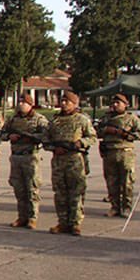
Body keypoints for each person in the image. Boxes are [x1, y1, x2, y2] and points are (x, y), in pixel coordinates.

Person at [46, 92, 96, 236]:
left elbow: (92, 137)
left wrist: (80, 143)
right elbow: (46, 138)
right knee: (60, 193)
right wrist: (54, 148)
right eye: (62, 101)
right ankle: (62, 222)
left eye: (67, 101)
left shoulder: (82, 120)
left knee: (76, 192)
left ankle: (75, 223)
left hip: (75, 160)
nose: (63, 104)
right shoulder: (54, 120)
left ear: (75, 104)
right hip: (58, 161)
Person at [1, 94, 49, 229]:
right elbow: (2, 134)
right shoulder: (13, 119)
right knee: (19, 189)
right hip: (16, 157)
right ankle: (22, 217)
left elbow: (47, 135)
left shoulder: (39, 119)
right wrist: (10, 136)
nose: (21, 104)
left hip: (30, 157)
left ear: (31, 104)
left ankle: (32, 217)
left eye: (24, 102)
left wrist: (32, 138)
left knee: (32, 189)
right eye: (20, 102)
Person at [96, 93, 140, 217]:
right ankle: (115, 207)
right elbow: (95, 132)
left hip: (125, 152)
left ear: (125, 105)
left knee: (127, 182)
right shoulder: (106, 118)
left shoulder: (131, 118)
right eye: (113, 103)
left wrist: (122, 133)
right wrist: (105, 130)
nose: (115, 105)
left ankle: (127, 207)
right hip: (109, 152)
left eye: (118, 103)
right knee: (111, 181)